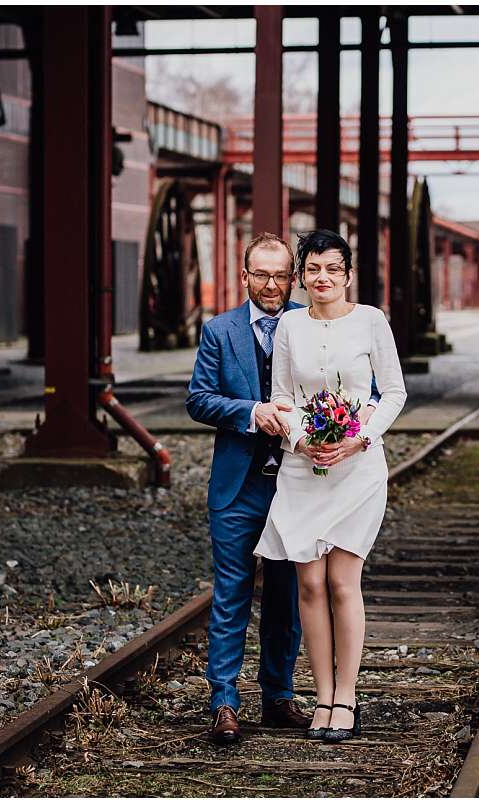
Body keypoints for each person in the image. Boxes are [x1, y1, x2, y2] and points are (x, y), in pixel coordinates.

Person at [186, 232, 379, 744]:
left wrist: (349, 439)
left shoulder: (309, 322)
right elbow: (199, 399)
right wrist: (250, 412)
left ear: (290, 277)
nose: (271, 284)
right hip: (240, 485)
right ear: (244, 275)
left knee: (291, 596)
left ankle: (278, 697)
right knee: (230, 594)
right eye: (260, 274)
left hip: (300, 483)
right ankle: (224, 702)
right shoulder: (219, 331)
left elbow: (372, 391)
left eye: (279, 275)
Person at [253, 229, 407, 743]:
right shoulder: (290, 326)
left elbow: (393, 393)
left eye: (332, 270)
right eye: (313, 269)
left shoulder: (371, 322)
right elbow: (280, 396)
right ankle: (320, 696)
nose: (322, 278)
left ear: (347, 274)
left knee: (343, 582)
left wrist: (358, 437)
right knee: (310, 584)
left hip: (357, 469)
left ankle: (347, 698)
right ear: (303, 275)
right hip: (303, 467)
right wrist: (301, 441)